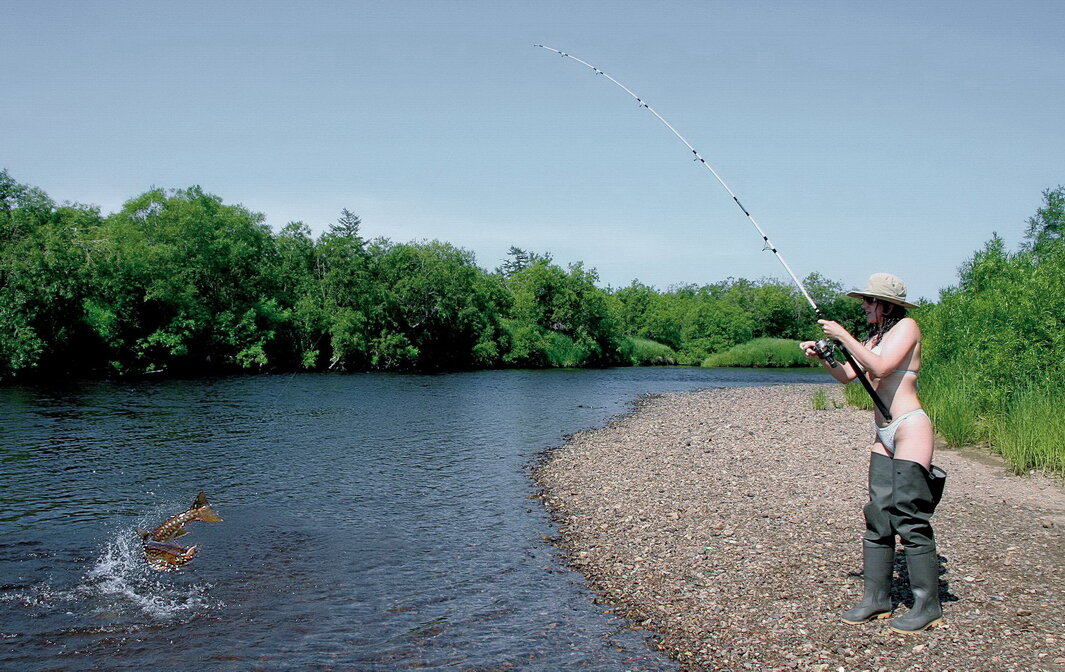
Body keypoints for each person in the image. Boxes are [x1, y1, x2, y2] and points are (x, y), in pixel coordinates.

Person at [799, 272, 946, 634]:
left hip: (910, 427)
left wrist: (842, 335)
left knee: (909, 516)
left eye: (868, 301)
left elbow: (880, 367)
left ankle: (927, 605)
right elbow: (849, 375)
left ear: (884, 303)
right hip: (884, 432)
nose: (864, 306)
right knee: (879, 514)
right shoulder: (876, 336)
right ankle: (876, 599)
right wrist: (824, 356)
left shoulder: (907, 327)